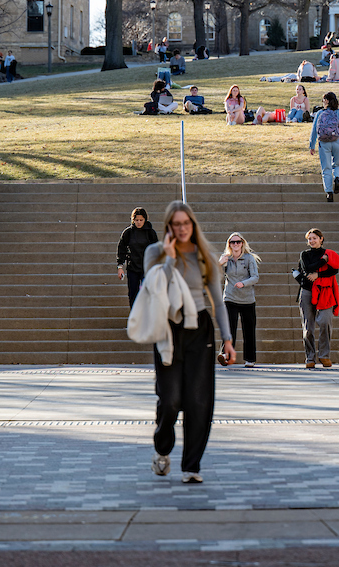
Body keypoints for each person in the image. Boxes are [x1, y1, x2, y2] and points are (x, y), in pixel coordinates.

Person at [143, 201, 236, 483]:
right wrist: (170, 259)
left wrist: (228, 340)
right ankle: (162, 448)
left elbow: (217, 302)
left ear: (192, 225)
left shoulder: (204, 256)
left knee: (199, 400)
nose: (182, 228)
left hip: (199, 330)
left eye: (186, 223)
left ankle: (191, 466)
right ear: (168, 226)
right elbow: (152, 288)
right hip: (167, 330)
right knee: (170, 399)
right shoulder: (155, 253)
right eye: (176, 224)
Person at [296, 228, 339, 368]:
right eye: (309, 239)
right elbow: (307, 268)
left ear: (321, 239)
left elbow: (334, 269)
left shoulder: (328, 254)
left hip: (325, 292)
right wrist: (322, 262)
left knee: (325, 322)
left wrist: (318, 275)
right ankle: (310, 357)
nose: (312, 241)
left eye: (314, 238)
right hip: (307, 292)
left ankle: (324, 355)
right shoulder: (304, 254)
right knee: (308, 327)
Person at [219, 232, 260, 367]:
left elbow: (255, 277)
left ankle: (250, 359)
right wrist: (219, 264)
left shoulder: (249, 258)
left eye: (238, 242)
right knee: (228, 328)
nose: (235, 244)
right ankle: (225, 355)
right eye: (232, 242)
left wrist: (244, 283)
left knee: (249, 329)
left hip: (247, 299)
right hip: (230, 298)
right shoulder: (225, 258)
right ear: (229, 244)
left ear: (242, 243)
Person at [309, 91, 339, 202]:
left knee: (326, 168)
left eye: (323, 100)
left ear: (326, 101)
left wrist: (311, 145)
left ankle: (329, 192)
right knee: (337, 164)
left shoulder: (319, 113)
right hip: (337, 141)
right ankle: (337, 177)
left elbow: (314, 130)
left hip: (323, 143)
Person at [117, 207, 159, 307]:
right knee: (133, 294)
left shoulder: (150, 233)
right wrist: (120, 267)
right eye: (136, 220)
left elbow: (156, 250)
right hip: (133, 267)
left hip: (147, 267)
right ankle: (135, 318)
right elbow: (121, 249)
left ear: (145, 220)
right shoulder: (128, 233)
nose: (139, 222)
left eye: (141, 220)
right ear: (133, 220)